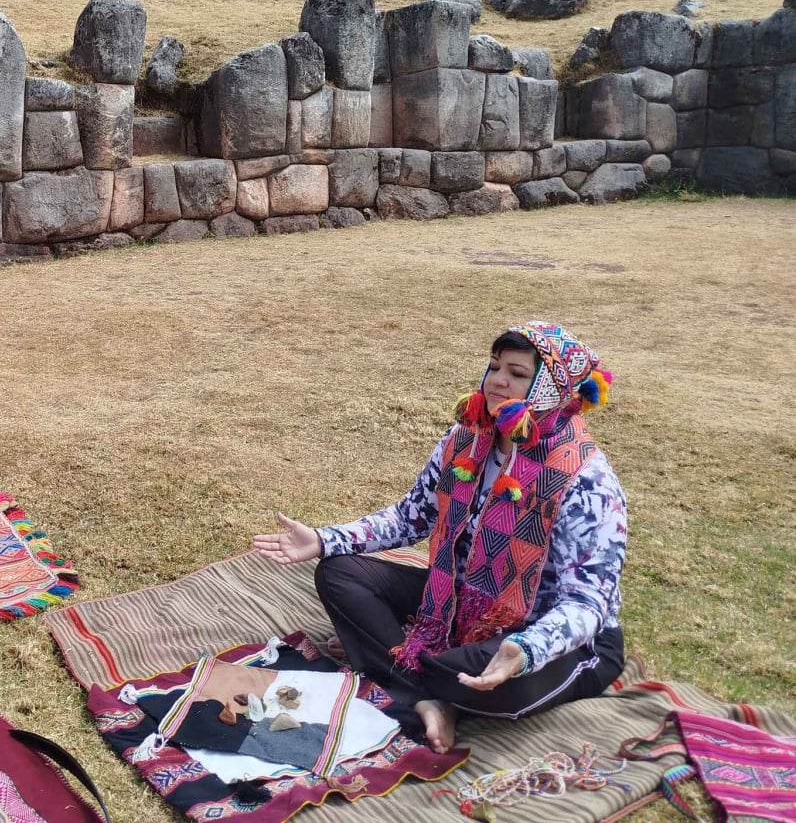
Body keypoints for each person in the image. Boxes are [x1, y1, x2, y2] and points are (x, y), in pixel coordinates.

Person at [254, 322, 626, 755]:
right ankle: (427, 697)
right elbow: (413, 516)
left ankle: (405, 672)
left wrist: (526, 649)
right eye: (494, 366)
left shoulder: (587, 480)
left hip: (552, 635)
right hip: (456, 601)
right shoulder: (465, 439)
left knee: (463, 674)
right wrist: (324, 540)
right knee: (340, 574)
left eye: (518, 373)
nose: (498, 381)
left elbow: (589, 604)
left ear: (553, 388)